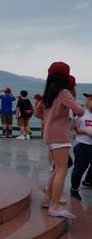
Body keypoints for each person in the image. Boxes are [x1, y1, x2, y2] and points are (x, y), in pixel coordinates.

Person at [35, 62, 84, 218]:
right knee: (62, 170)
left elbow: (37, 112)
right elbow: (80, 111)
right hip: (60, 135)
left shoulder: (48, 93)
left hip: (49, 134)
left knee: (57, 169)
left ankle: (47, 199)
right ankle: (54, 207)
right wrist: (62, 117)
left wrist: (49, 118)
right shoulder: (63, 92)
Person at [70, 92, 92, 198]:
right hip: (83, 146)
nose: (88, 102)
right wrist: (86, 131)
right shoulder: (82, 114)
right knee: (79, 169)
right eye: (88, 100)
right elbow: (76, 129)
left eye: (90, 100)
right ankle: (74, 189)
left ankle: (88, 181)